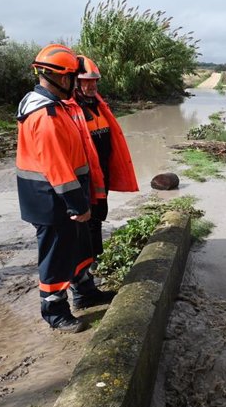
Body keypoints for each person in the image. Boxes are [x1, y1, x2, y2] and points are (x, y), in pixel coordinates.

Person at [16, 44, 115, 333]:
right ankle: (55, 311)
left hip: (64, 197)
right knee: (56, 256)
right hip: (52, 200)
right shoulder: (46, 116)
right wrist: (78, 205)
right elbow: (58, 168)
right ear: (62, 78)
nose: (76, 82)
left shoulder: (59, 107)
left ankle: (85, 293)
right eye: (74, 77)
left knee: (78, 248)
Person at [69, 55, 138, 264]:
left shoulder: (98, 105)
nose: (92, 86)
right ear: (75, 82)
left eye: (95, 81)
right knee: (86, 219)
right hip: (85, 174)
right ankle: (88, 262)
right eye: (87, 81)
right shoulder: (71, 109)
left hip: (102, 171)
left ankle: (97, 257)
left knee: (98, 214)